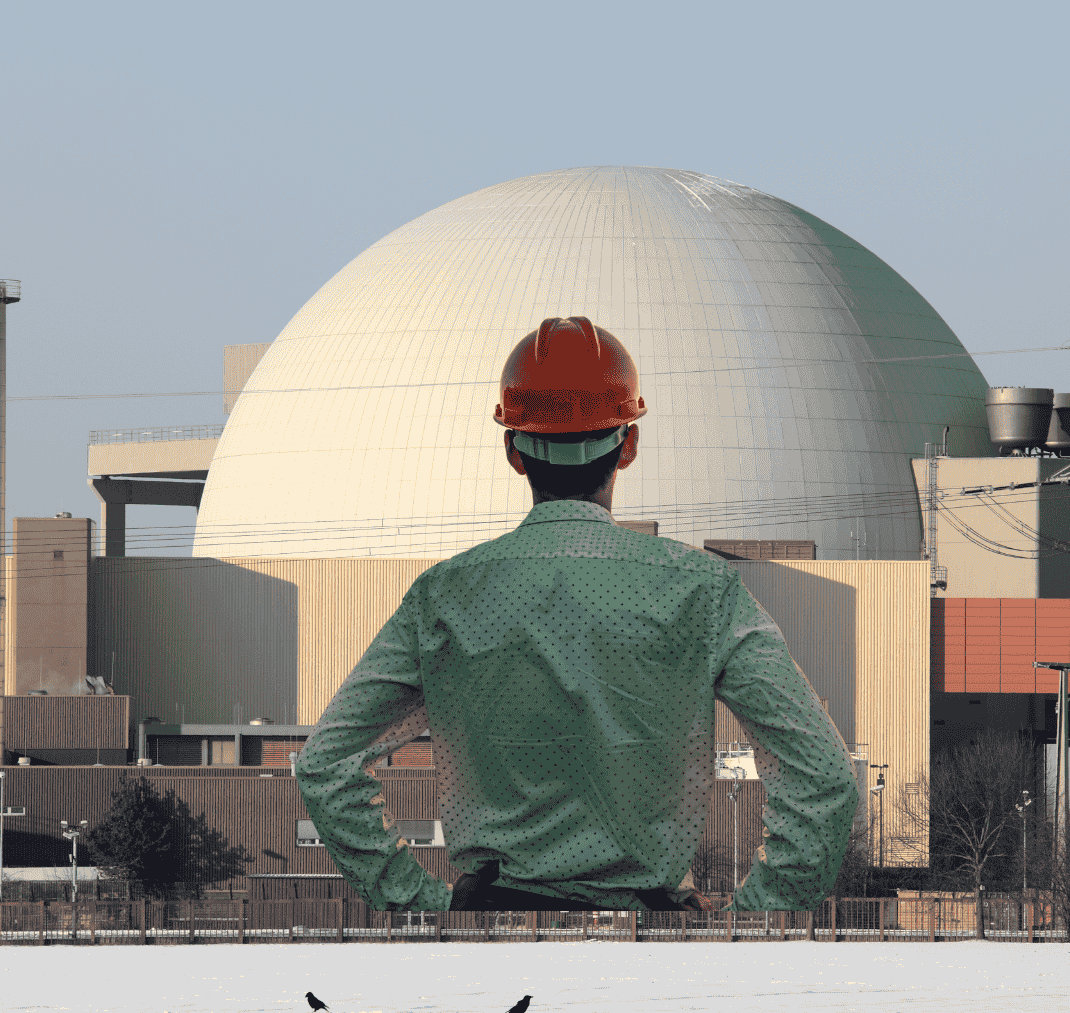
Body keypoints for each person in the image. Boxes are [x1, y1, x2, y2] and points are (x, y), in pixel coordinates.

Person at [296, 316, 857, 911]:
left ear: (514, 452)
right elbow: (823, 776)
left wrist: (417, 903)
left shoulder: (445, 596)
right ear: (628, 446)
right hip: (652, 937)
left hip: (486, 935)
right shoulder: (703, 591)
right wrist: (750, 919)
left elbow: (326, 764)